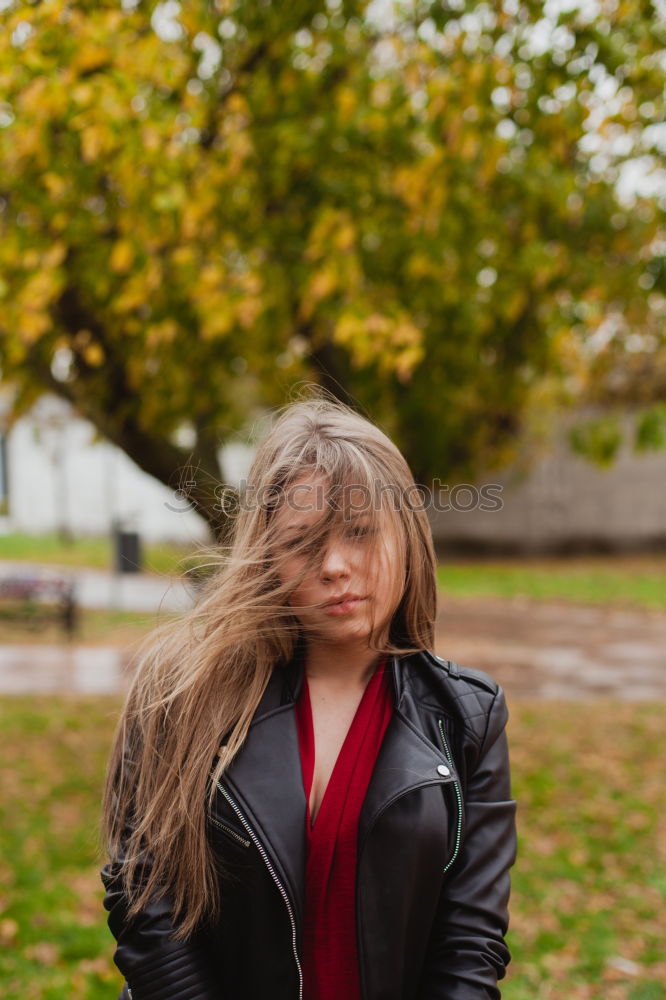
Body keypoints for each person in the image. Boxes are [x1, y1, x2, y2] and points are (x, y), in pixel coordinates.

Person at [100, 394, 517, 1000]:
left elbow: (469, 943)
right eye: (303, 542)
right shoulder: (180, 695)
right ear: (266, 554)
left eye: (359, 532)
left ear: (407, 535)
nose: (335, 565)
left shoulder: (468, 718)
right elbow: (144, 903)